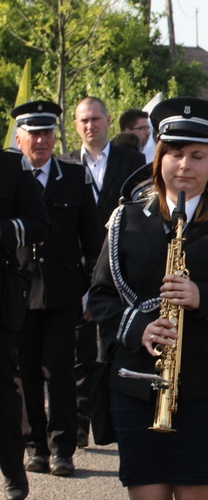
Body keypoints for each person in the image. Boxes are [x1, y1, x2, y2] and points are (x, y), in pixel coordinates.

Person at [87, 97, 208, 499]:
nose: (184, 164)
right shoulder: (127, 219)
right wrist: (140, 327)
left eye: (197, 155)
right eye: (174, 153)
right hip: (137, 384)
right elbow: (99, 297)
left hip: (207, 387)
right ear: (159, 158)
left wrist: (201, 296)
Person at [11, 101, 102, 478]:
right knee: (25, 371)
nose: (42, 140)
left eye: (47, 133)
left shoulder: (74, 176)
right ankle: (34, 447)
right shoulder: (8, 177)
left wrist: (93, 292)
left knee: (61, 369)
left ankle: (62, 448)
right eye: (33, 134)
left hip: (65, 293)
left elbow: (92, 240)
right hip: (17, 292)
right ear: (19, 139)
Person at [60, 96, 147, 448]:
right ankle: (79, 427)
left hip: (120, 269)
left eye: (95, 119)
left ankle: (111, 425)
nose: (90, 126)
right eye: (83, 121)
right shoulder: (64, 164)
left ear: (108, 120)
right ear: (75, 125)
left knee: (114, 348)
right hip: (77, 269)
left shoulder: (133, 161)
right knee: (80, 356)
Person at [0, 149, 50, 500]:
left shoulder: (10, 167)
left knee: (2, 390)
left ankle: (13, 472)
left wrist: (3, 231)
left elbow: (39, 223)